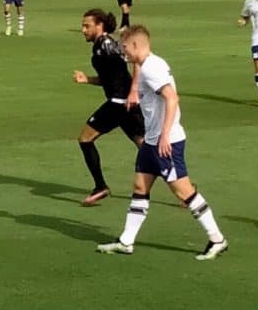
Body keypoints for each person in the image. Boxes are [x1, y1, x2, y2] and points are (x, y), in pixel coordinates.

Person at [96, 25, 228, 260]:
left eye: (124, 46)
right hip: (152, 141)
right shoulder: (146, 65)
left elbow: (172, 98)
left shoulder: (152, 68)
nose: (122, 51)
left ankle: (217, 239)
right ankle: (126, 241)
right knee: (140, 186)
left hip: (166, 142)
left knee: (182, 191)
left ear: (136, 45)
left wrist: (165, 135)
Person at [73, 9, 145, 206]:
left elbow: (136, 59)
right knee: (145, 147)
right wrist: (87, 79)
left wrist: (134, 90)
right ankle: (185, 189)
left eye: (87, 26)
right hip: (124, 104)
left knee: (85, 139)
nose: (83, 30)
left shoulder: (107, 45)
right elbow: (110, 78)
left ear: (100, 26)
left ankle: (100, 186)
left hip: (119, 104)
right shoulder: (99, 46)